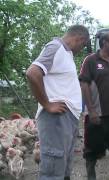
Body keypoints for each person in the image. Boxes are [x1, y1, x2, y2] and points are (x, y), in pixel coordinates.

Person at [26, 25, 89, 180]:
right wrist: (47, 104)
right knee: (53, 171)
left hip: (65, 119)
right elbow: (32, 72)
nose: (81, 49)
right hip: (56, 119)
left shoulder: (66, 54)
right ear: (79, 39)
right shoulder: (56, 47)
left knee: (62, 168)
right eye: (83, 45)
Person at [79, 32, 109, 180]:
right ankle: (91, 177)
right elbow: (84, 84)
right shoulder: (90, 61)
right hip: (97, 116)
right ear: (104, 43)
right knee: (92, 151)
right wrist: (92, 110)